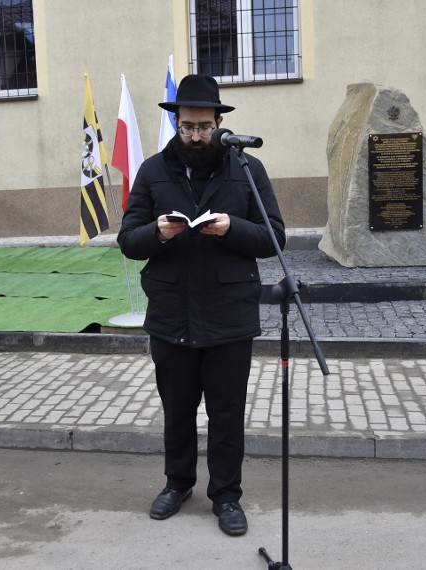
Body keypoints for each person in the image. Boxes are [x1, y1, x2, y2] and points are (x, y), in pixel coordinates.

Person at [117, 74, 285, 537]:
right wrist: (159, 232)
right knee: (177, 409)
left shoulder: (247, 169)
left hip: (230, 313)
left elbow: (275, 236)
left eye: (204, 127)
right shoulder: (153, 171)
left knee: (227, 413)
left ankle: (227, 495)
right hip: (172, 314)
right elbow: (129, 240)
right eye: (187, 127)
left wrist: (232, 227)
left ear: (219, 123)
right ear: (175, 122)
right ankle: (177, 484)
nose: (195, 135)